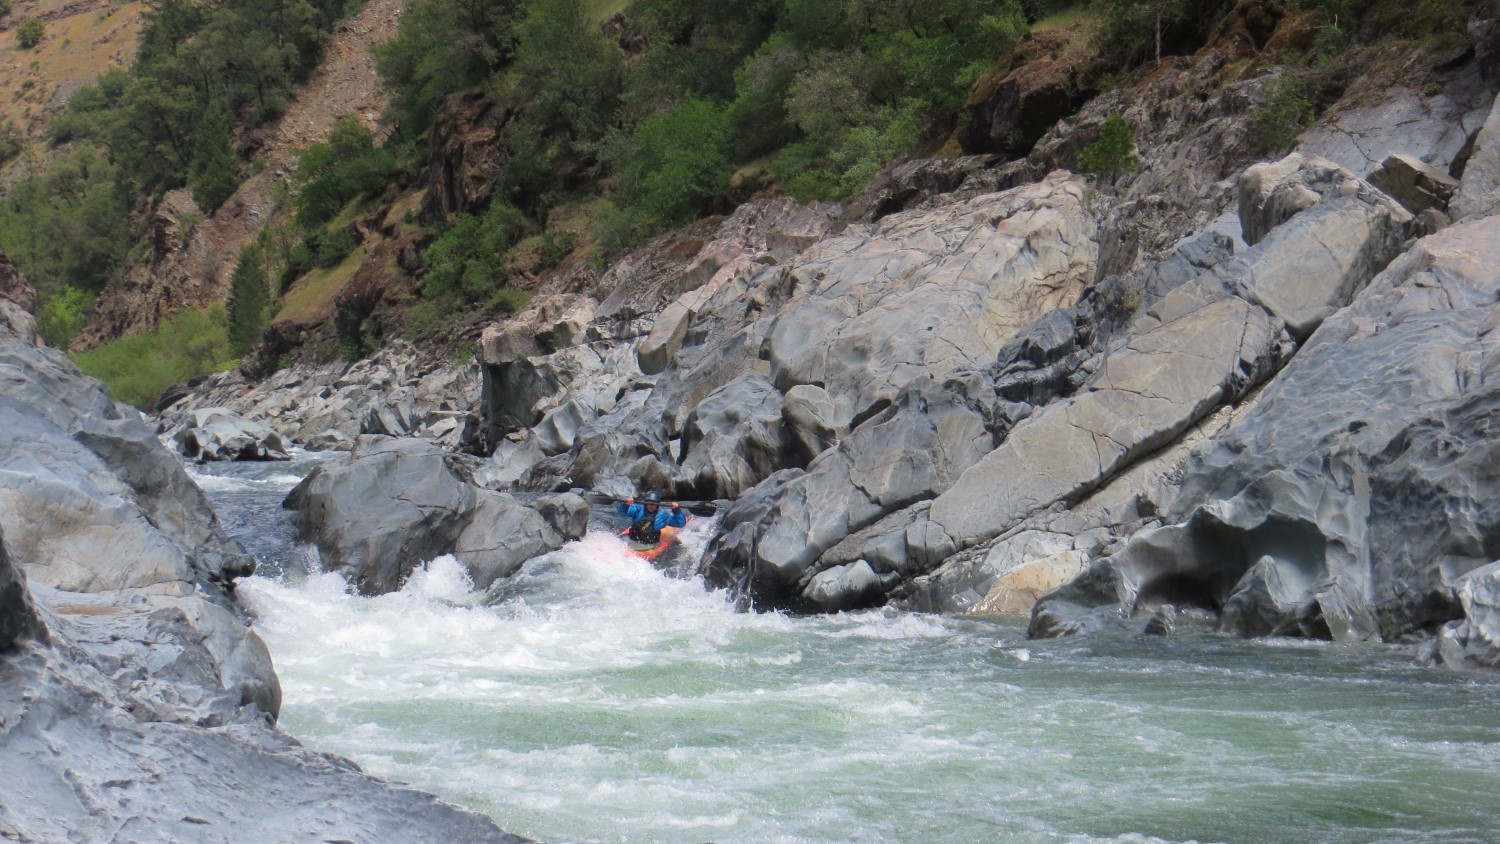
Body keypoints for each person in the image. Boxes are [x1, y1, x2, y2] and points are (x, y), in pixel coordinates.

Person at [617, 491, 687, 543]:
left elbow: (681, 523)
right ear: (646, 502)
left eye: (653, 504)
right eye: (649, 503)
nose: (651, 506)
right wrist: (625, 504)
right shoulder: (638, 509)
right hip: (632, 538)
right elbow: (621, 511)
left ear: (657, 505)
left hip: (649, 544)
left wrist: (676, 510)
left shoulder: (663, 516)